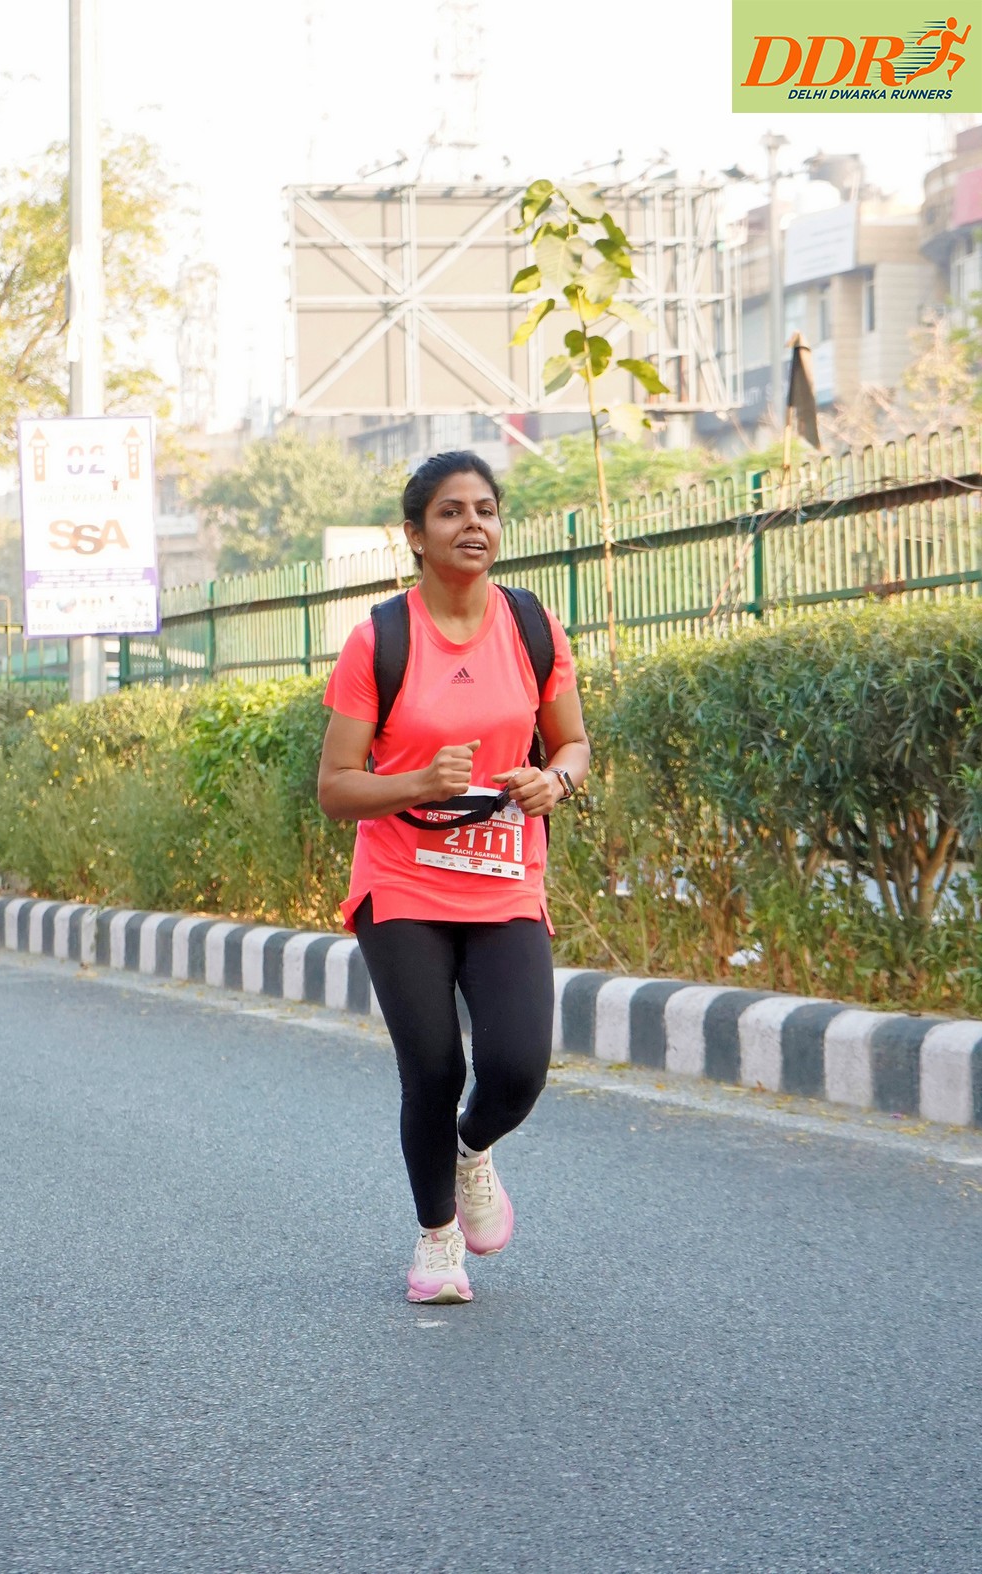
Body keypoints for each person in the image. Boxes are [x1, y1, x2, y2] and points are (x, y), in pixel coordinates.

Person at [318, 450, 590, 1305]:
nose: (473, 524)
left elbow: (573, 743)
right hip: (401, 882)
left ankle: (471, 1151)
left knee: (516, 1067)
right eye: (450, 511)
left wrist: (556, 781)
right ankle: (436, 1240)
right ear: (414, 534)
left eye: (485, 509)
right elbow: (335, 788)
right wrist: (416, 783)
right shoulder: (379, 639)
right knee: (432, 1069)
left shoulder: (532, 625)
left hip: (504, 877)